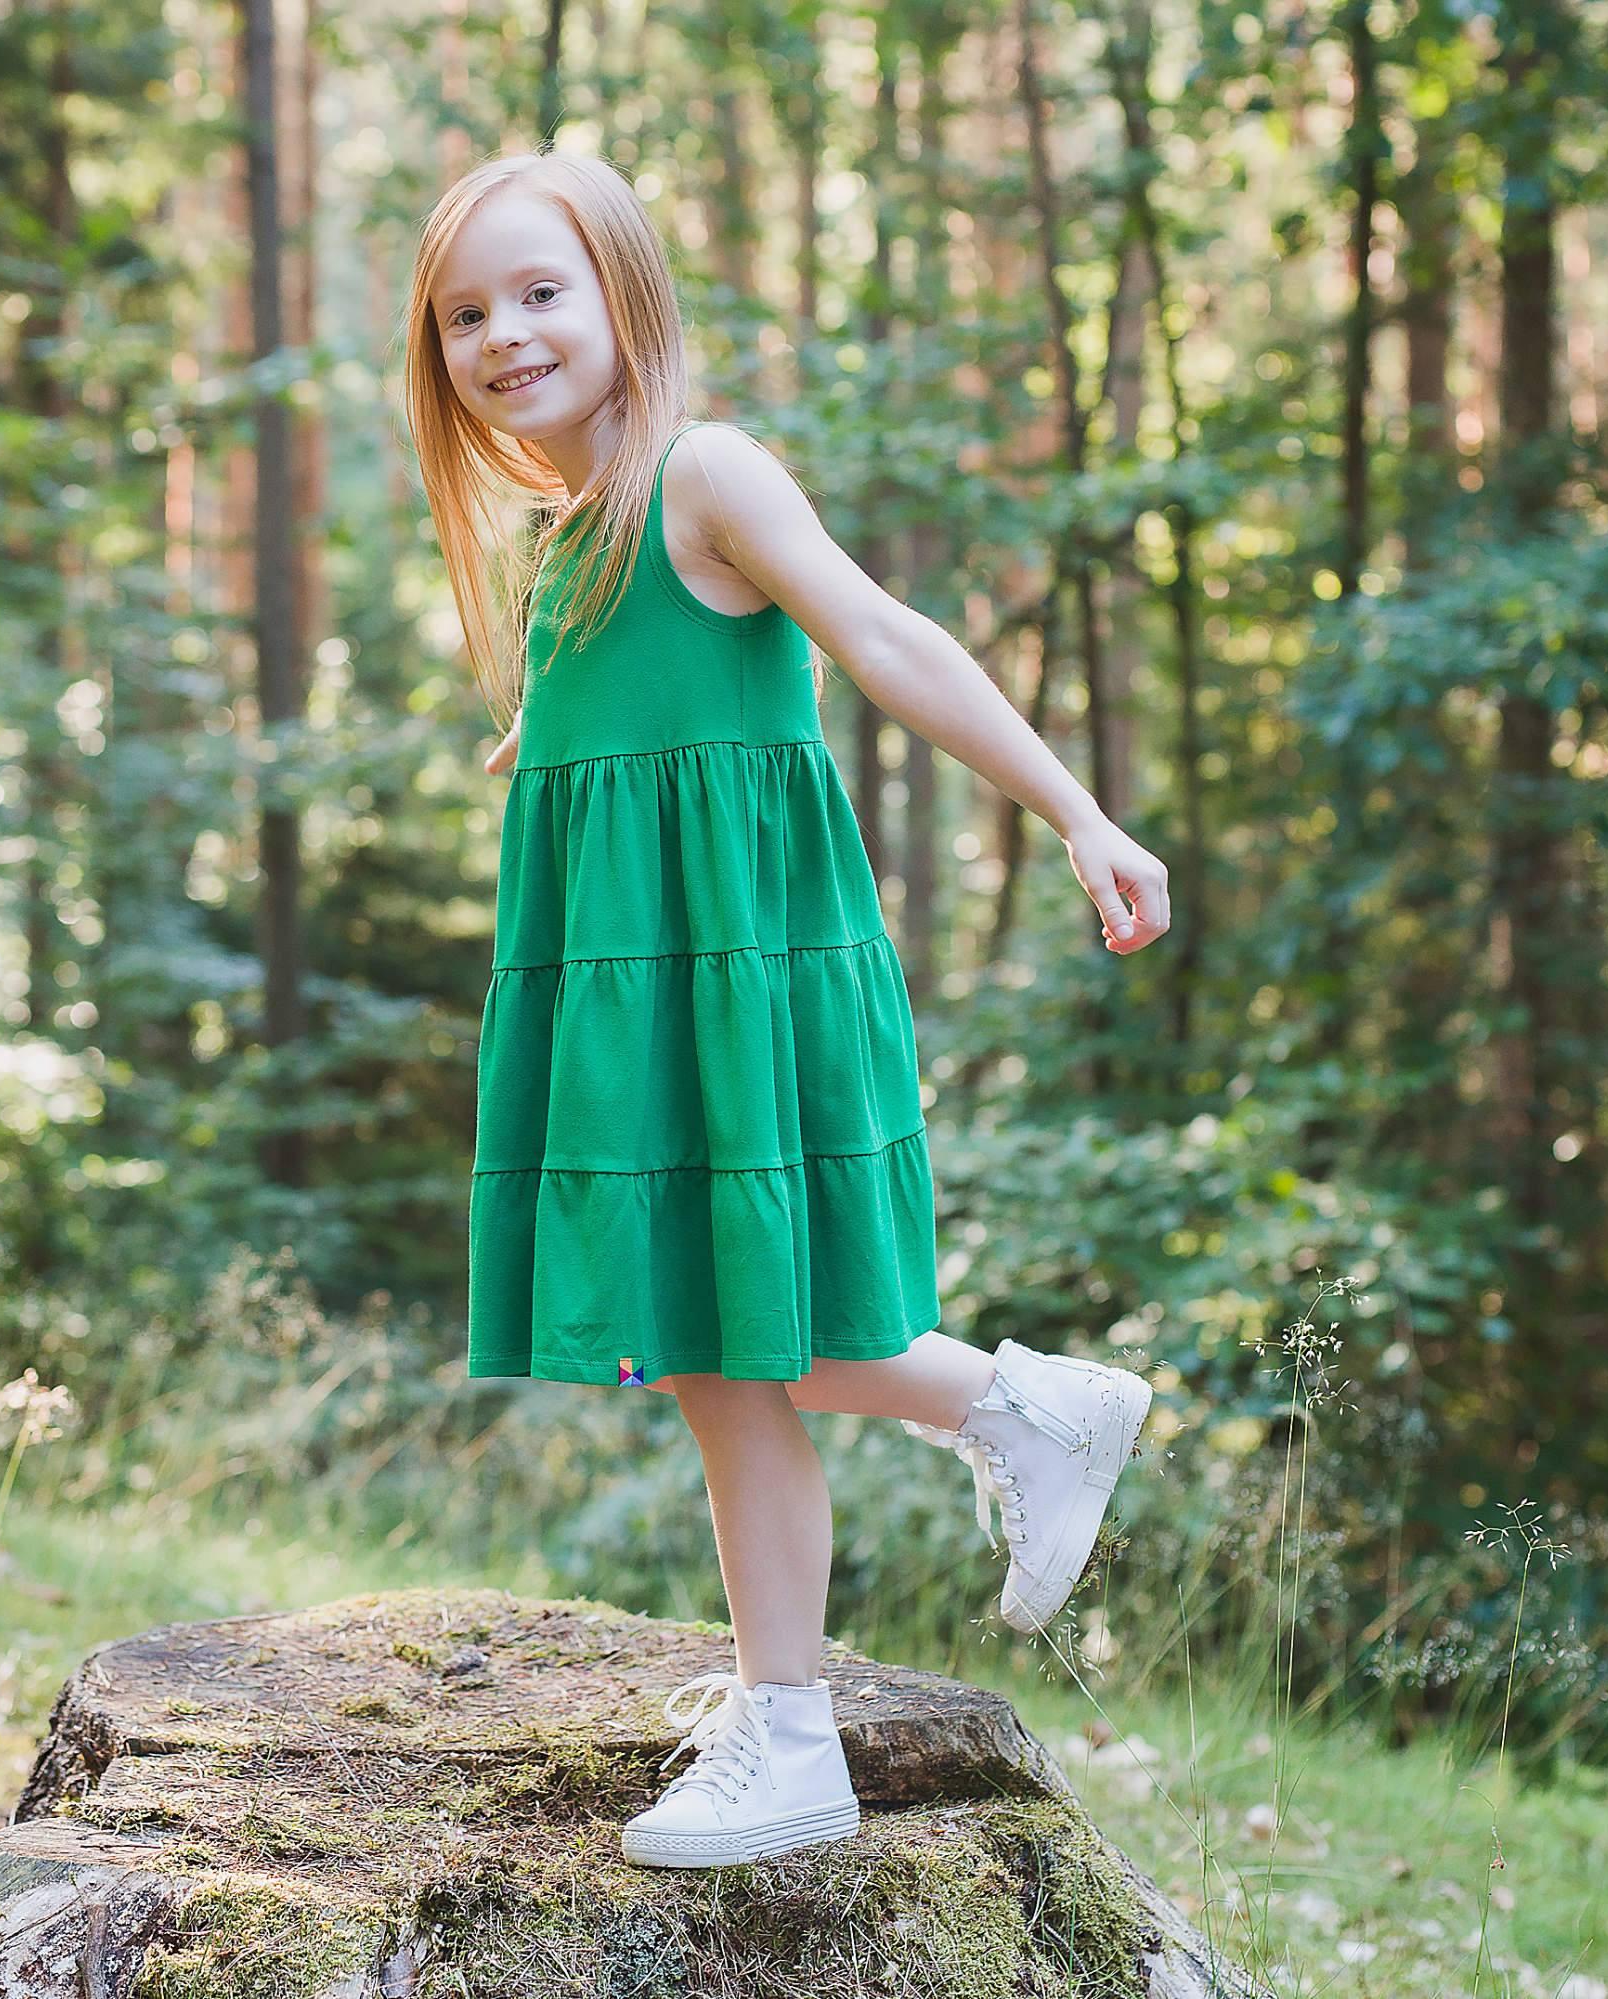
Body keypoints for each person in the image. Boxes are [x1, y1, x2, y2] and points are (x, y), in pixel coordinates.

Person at [399, 149, 1168, 1872]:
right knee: (699, 1338)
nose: (504, 334)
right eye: (466, 313)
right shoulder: (562, 547)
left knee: (729, 1324)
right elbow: (621, 722)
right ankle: (849, 1628)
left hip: (737, 967)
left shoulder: (707, 478)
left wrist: (1080, 813)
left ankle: (930, 1526)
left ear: (626, 300)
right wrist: (549, 748)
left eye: (541, 293)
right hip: (629, 979)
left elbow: (890, 645)